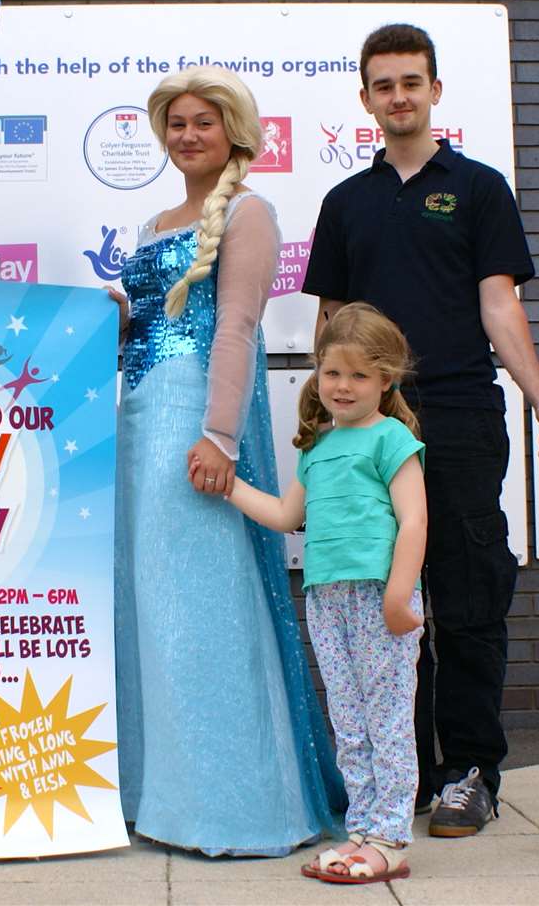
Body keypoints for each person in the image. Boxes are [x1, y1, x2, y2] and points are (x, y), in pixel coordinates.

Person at [302, 24, 539, 837]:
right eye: (382, 85)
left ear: (435, 90)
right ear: (365, 100)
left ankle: (470, 771)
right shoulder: (345, 203)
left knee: (464, 590)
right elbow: (330, 324)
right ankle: (401, 773)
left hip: (454, 414)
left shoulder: (479, 189)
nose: (398, 96)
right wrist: (324, 420)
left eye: (411, 81)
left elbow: (498, 305)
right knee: (383, 600)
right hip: (367, 428)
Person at [111, 65, 344, 855]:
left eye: (201, 122)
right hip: (138, 420)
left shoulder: (250, 211)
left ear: (233, 130)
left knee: (200, 599)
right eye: (175, 123)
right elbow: (143, 330)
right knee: (149, 600)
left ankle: (231, 805)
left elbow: (237, 326)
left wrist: (216, 437)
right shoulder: (152, 225)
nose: (186, 135)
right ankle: (158, 795)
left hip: (192, 421)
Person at [222, 303, 425, 884]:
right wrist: (229, 486)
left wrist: (397, 598)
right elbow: (288, 515)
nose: (343, 386)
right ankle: (361, 828)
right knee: (351, 720)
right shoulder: (317, 449)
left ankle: (390, 836)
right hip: (327, 601)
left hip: (380, 599)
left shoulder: (392, 440)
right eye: (333, 372)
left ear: (385, 381)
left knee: (386, 720)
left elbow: (414, 522)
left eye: (360, 375)